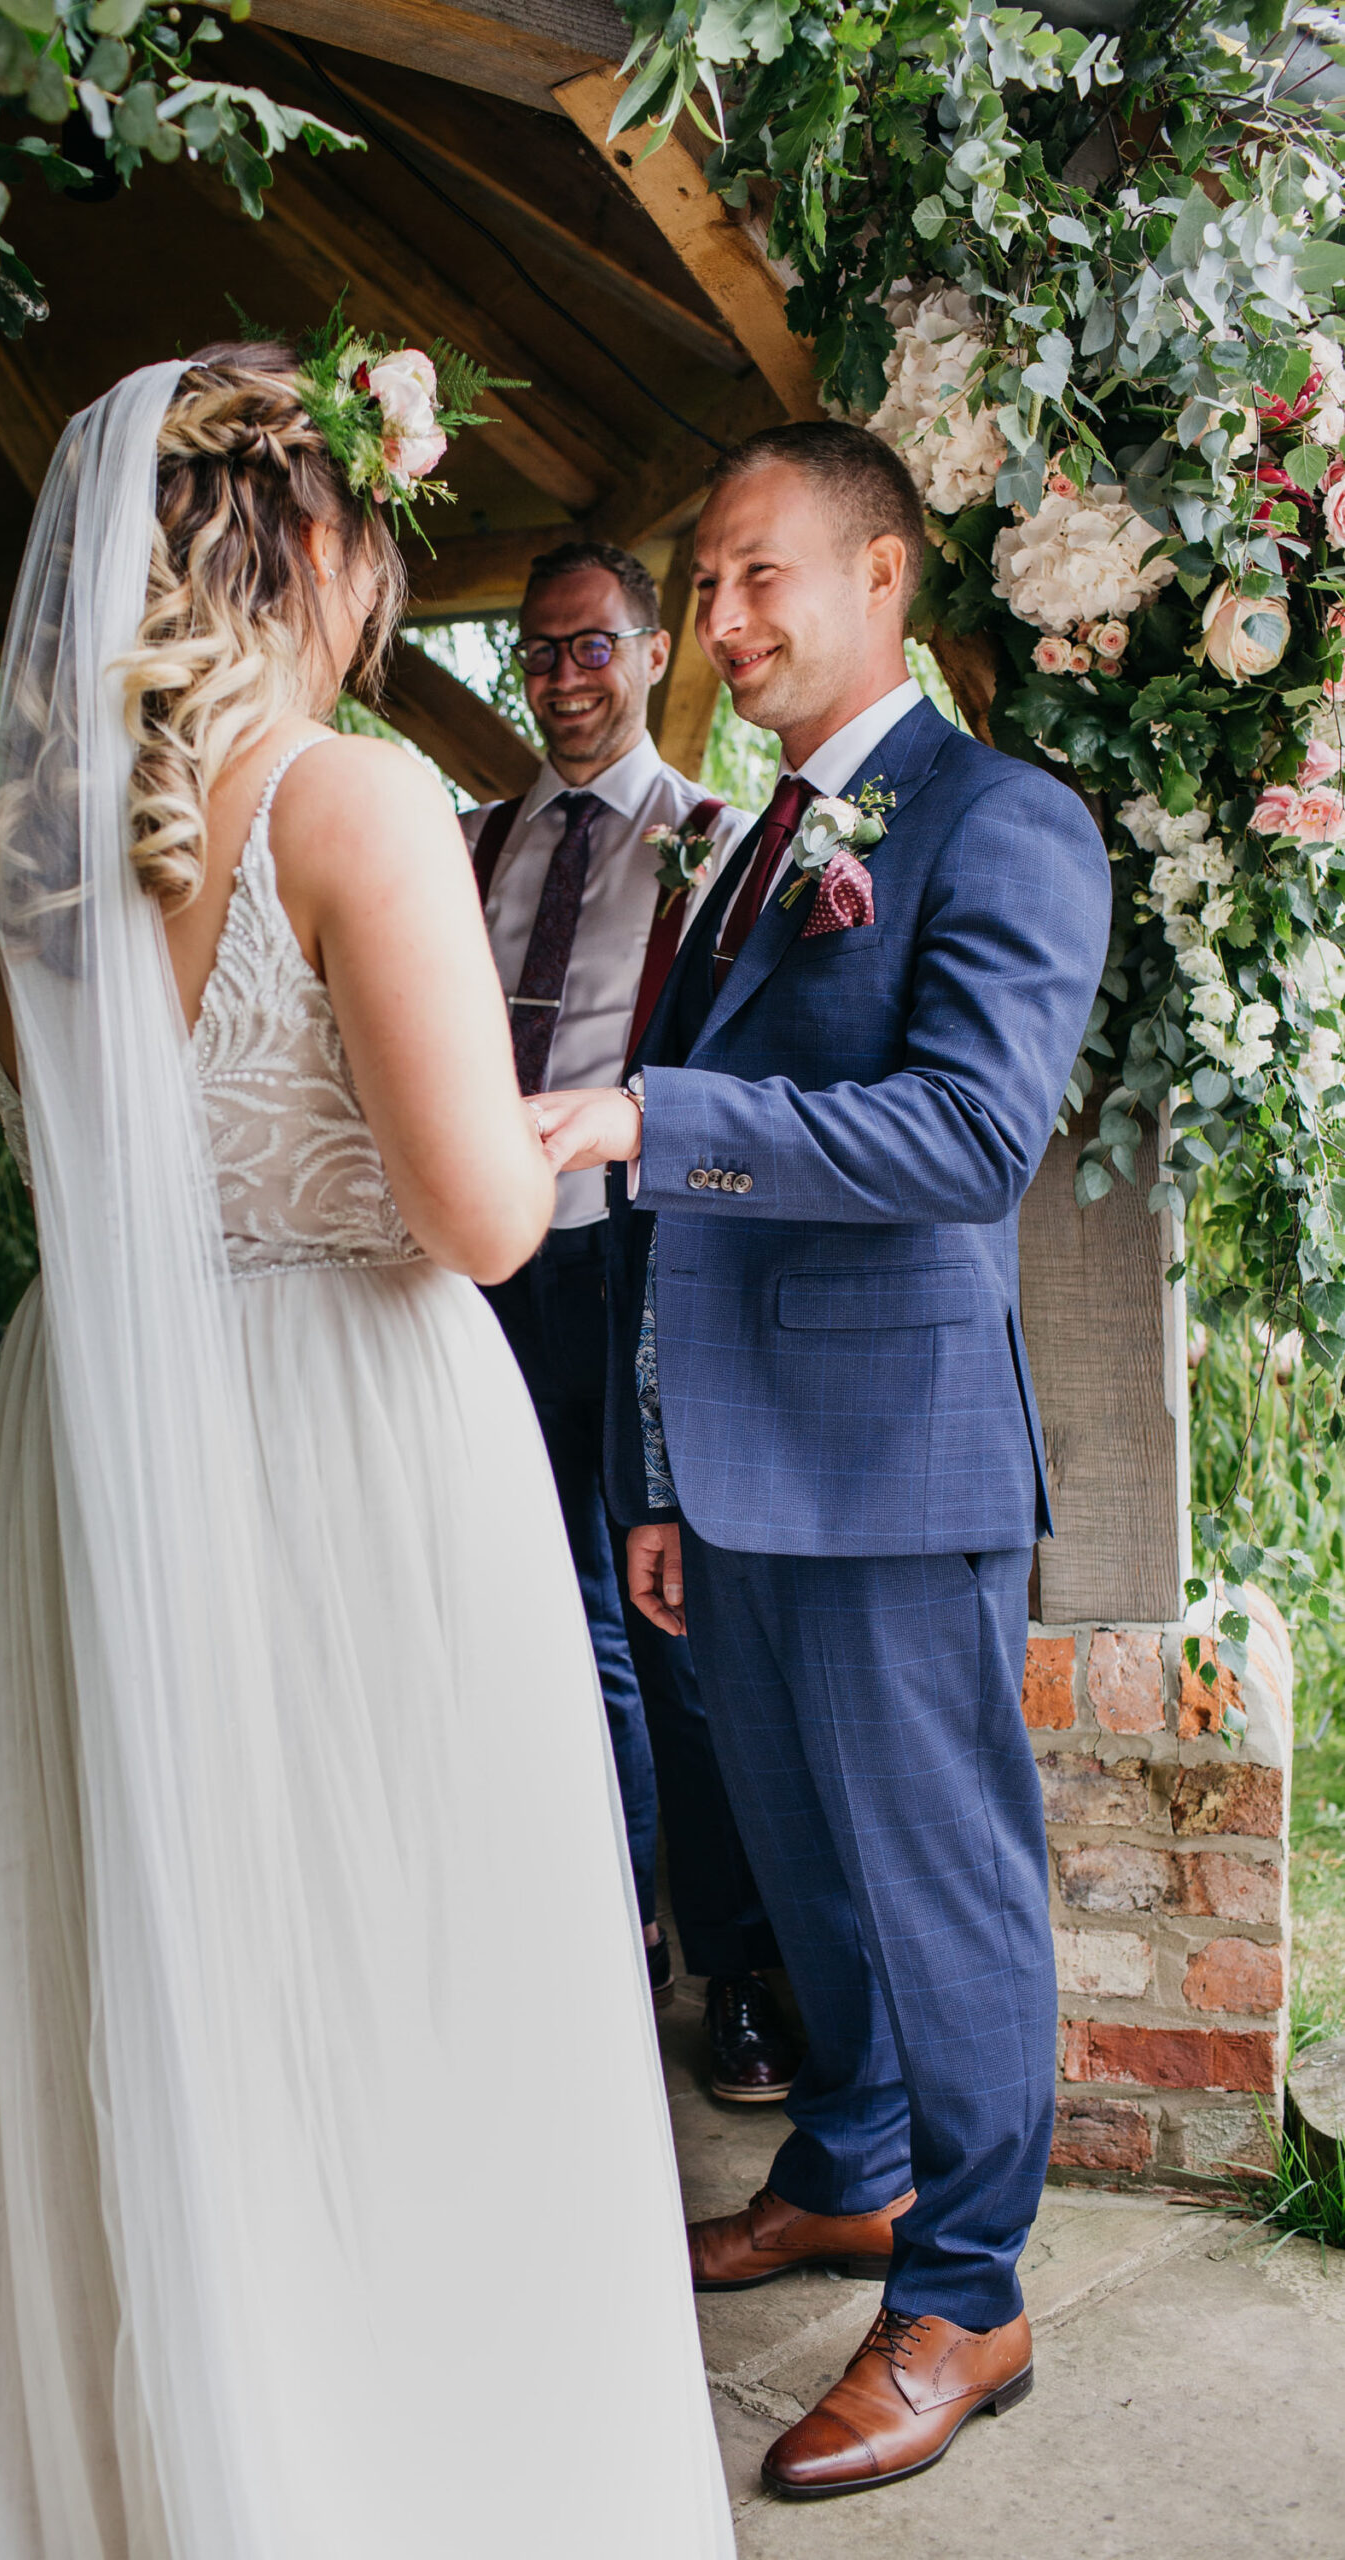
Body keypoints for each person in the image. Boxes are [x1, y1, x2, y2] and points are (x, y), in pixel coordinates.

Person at [0, 345, 733, 2560]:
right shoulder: (354, 798)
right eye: (370, 538)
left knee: (144, 1944)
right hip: (354, 1443)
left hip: (100, 1434)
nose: (380, 586)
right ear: (296, 536)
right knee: (389, 1961)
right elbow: (473, 1213)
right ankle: (389, 2441)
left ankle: (132, 2439)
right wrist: (565, 1123)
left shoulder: (34, 836)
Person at [533, 420, 1111, 2501]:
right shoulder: (751, 840)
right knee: (794, 1869)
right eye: (703, 581)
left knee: (941, 1888)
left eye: (760, 572)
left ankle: (962, 2286)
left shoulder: (995, 820)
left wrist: (640, 1109)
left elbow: (968, 1136)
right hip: (738, 1481)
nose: (721, 616)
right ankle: (855, 2162)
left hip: (890, 1464)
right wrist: (668, 1480)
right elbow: (713, 1221)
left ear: (882, 576)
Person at [464, 539, 792, 2101]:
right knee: (522, 1609)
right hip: (481, 1274)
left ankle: (732, 1968)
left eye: (590, 648)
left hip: (640, 1268)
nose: (563, 680)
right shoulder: (469, 846)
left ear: (655, 654)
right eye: (537, 655)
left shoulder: (721, 846)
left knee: (669, 1628)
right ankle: (592, 1932)